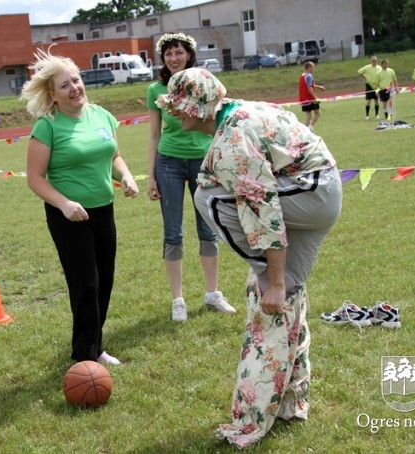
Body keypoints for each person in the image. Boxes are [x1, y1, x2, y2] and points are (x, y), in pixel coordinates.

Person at [156, 68, 342, 448]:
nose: (173, 113)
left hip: (312, 192)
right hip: (320, 190)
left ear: (200, 107)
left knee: (207, 196)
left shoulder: (230, 140)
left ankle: (267, 274)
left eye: (178, 106)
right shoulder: (238, 112)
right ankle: (290, 402)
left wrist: (270, 278)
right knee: (287, 299)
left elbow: (264, 209)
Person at [21, 48, 138, 366]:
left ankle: (93, 344)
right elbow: (35, 178)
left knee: (105, 280)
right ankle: (86, 356)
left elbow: (113, 156)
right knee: (85, 282)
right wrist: (64, 203)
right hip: (68, 214)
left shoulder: (102, 116)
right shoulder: (47, 126)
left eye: (76, 80)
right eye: (64, 85)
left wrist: (125, 176)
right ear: (52, 95)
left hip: (103, 208)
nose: (74, 88)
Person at [146, 32, 234, 322]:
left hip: (203, 161)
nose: (174, 58)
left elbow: (217, 122)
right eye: (169, 53)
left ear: (189, 55)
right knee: (173, 233)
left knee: (208, 228)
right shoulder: (155, 90)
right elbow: (154, 134)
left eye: (179, 53)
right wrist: (151, 176)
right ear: (163, 58)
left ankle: (212, 294)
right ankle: (178, 300)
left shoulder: (203, 84)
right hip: (168, 162)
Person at [298, 61, 325, 131]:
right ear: (309, 67)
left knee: (308, 115)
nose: (314, 69)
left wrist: (318, 86)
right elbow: (309, 88)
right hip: (309, 99)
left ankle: (305, 130)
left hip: (303, 99)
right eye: (313, 67)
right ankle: (310, 127)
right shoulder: (309, 76)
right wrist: (316, 98)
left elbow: (309, 85)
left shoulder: (303, 75)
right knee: (317, 113)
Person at [357, 55, 381, 120]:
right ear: (371, 61)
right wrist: (365, 76)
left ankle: (377, 114)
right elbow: (359, 71)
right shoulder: (367, 67)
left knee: (376, 101)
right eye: (373, 61)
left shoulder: (379, 68)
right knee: (368, 101)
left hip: (377, 85)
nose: (374, 62)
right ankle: (367, 115)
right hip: (369, 85)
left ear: (377, 61)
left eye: (375, 61)